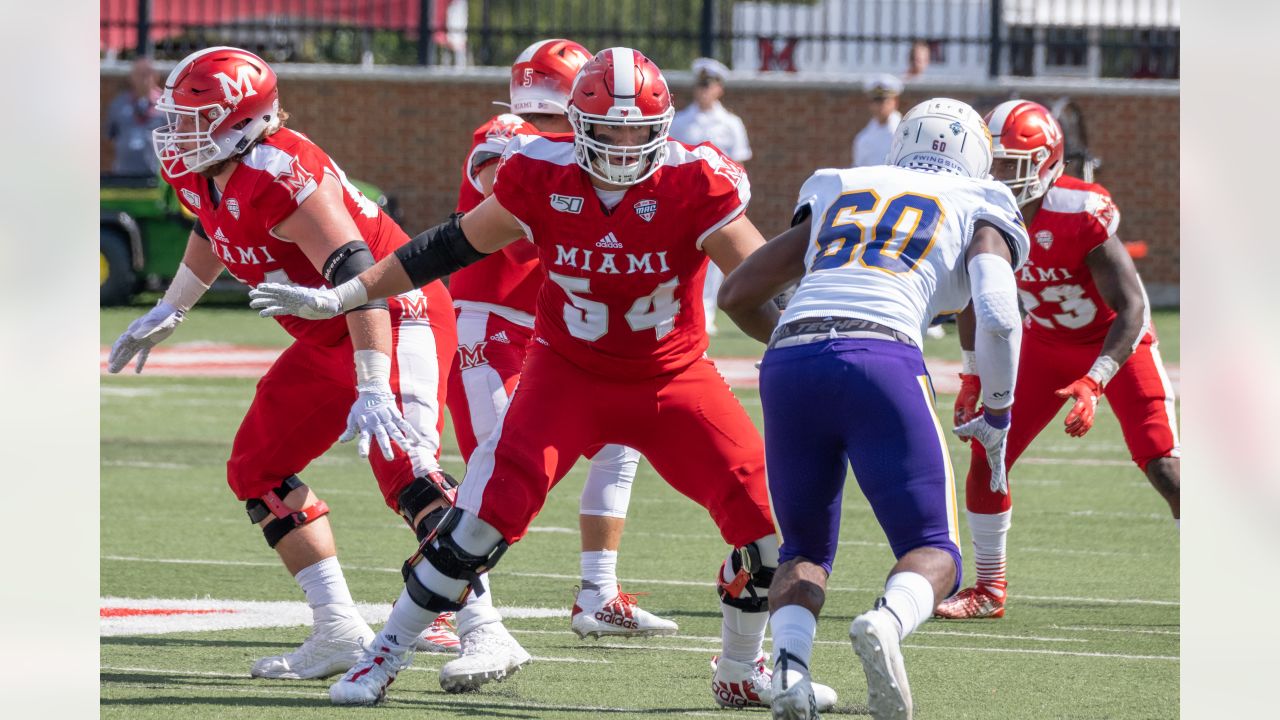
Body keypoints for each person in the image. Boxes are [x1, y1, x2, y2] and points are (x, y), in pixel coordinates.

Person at [250, 47, 837, 712]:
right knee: (476, 526)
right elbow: (448, 245)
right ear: (574, 126)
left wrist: (816, 338)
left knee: (767, 529)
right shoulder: (538, 170)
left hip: (670, 379)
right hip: (566, 377)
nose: (620, 147)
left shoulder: (696, 180)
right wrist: (350, 291)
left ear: (663, 127)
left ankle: (739, 666)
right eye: (606, 130)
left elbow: (755, 278)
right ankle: (381, 658)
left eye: (635, 131)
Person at [107, 46, 460, 681]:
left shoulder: (281, 170)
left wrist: (373, 383)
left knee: (407, 472)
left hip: (390, 314)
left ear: (241, 121)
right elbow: (211, 226)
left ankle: (485, 629)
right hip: (326, 336)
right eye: (179, 115)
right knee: (257, 467)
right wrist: (172, 307)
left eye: (197, 117)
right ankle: (337, 629)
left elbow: (362, 279)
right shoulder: (206, 166)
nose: (178, 132)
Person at [719, 97, 1030, 720]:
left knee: (803, 546)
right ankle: (887, 624)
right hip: (883, 353)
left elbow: (736, 292)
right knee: (934, 548)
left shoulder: (844, 183)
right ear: (976, 156)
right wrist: (997, 411)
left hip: (790, 358)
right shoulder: (982, 199)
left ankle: (791, 676)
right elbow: (997, 312)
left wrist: (803, 343)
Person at [443, 37, 677, 658]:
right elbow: (512, 200)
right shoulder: (505, 135)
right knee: (493, 468)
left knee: (617, 443)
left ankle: (598, 593)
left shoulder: (581, 150)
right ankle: (449, 603)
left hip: (551, 329)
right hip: (489, 322)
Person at [935, 100, 1180, 620]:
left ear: (1046, 164)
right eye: (994, 162)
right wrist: (975, 374)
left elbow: (1133, 307)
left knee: (1164, 464)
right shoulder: (978, 209)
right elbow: (978, 298)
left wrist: (1095, 380)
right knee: (988, 452)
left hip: (1112, 341)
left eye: (1012, 165)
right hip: (1042, 344)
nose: (999, 175)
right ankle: (989, 589)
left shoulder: (1079, 211)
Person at [669, 56, 753, 336]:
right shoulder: (679, 121)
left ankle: (706, 312)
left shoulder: (731, 123)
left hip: (717, 204)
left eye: (710, 84)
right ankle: (685, 310)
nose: (704, 90)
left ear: (720, 88)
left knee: (716, 264)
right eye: (700, 85)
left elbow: (739, 164)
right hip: (683, 203)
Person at [105, 57, 167, 175]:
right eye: (139, 74)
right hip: (124, 173)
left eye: (147, 73)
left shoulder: (165, 104)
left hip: (157, 174)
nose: (143, 78)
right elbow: (110, 137)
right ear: (131, 77)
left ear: (156, 76)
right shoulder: (119, 104)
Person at [850, 74, 902, 169]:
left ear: (895, 101)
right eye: (875, 101)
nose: (878, 106)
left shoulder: (905, 133)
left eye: (882, 100)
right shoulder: (863, 138)